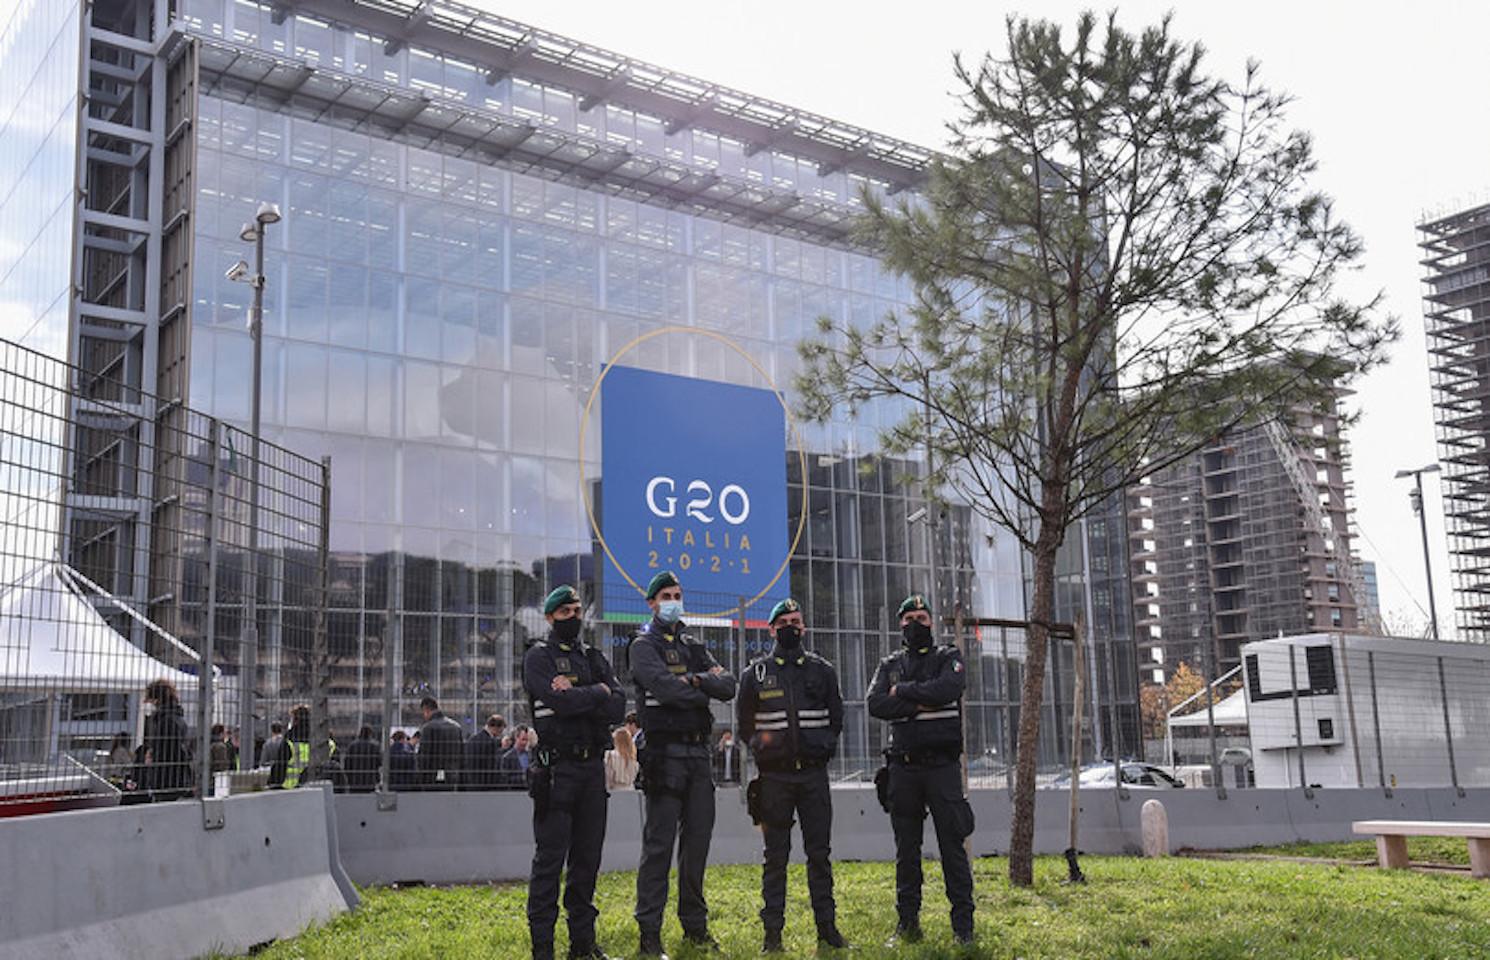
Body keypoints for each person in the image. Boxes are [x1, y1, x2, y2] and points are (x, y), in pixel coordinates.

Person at [629, 570, 736, 957]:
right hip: (664, 755)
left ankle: (695, 927)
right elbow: (666, 690)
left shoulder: (694, 645)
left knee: (697, 846)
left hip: (698, 757)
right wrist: (701, 685)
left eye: (677, 595)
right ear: (652, 603)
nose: (674, 601)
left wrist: (694, 681)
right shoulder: (643, 646)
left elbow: (729, 685)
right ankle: (649, 934)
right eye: (666, 596)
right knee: (658, 847)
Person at [737, 598, 848, 952]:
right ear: (771, 630)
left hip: (813, 777)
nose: (790, 627)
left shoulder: (822, 671)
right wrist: (762, 748)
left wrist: (823, 746)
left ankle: (827, 930)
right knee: (775, 858)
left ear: (804, 627)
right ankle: (772, 935)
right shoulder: (755, 675)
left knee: (819, 855)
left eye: (795, 622)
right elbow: (745, 725)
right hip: (774, 780)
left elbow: (836, 717)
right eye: (783, 622)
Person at [523, 585, 627, 960]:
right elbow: (560, 703)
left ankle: (582, 946)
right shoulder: (538, 657)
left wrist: (586, 691)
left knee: (587, 862)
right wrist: (598, 692)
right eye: (565, 612)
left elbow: (618, 707)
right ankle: (543, 949)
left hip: (592, 771)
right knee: (549, 863)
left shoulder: (594, 658)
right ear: (550, 617)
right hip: (556, 771)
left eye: (577, 610)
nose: (573, 617)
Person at [866, 594, 976, 948]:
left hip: (943, 768)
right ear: (900, 624)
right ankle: (908, 924)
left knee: (952, 848)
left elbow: (950, 688)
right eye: (909, 618)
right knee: (906, 851)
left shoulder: (948, 657)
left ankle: (963, 928)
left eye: (922, 618)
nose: (916, 623)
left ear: (932, 622)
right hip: (904, 769)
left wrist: (904, 692)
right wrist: (920, 703)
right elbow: (875, 703)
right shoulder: (890, 664)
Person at [140, 679, 192, 801]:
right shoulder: (177, 719)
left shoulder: (165, 721)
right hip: (177, 778)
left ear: (157, 700)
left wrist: (152, 756)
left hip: (165, 779)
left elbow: (165, 750)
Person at [416, 696, 465, 791]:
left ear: (426, 710)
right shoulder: (456, 727)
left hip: (431, 778)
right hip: (453, 777)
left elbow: (424, 757)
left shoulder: (427, 728)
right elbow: (462, 755)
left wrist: (421, 778)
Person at [464, 714, 507, 790]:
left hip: (471, 782)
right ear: (495, 728)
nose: (500, 734)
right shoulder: (490, 743)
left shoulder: (473, 739)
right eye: (500, 731)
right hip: (484, 784)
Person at [341, 726, 382, 793]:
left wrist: (348, 776)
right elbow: (379, 762)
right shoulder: (375, 746)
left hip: (354, 780)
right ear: (370, 734)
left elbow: (347, 763)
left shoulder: (352, 746)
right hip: (370, 780)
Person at [499, 725, 534, 789]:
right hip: (516, 791)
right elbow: (505, 779)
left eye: (527, 740)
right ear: (516, 738)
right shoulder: (507, 757)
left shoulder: (531, 755)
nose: (525, 743)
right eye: (523, 739)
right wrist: (523, 778)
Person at [605, 726, 638, 791]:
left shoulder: (610, 755)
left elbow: (608, 777)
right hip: (631, 790)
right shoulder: (633, 758)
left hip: (615, 790)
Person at [261, 721, 288, 787]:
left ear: (271, 730)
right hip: (284, 771)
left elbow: (263, 761)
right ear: (281, 730)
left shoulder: (267, 743)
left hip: (272, 772)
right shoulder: (286, 742)